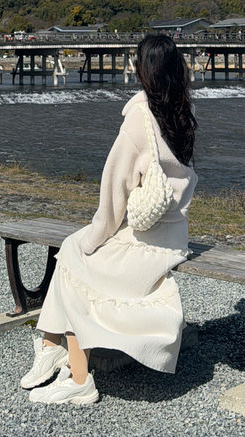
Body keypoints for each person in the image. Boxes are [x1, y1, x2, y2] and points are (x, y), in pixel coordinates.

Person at [21, 33, 198, 406]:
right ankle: (52, 346)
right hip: (173, 238)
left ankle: (78, 376)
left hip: (145, 240)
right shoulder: (183, 114)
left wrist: (92, 240)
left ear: (142, 71)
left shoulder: (139, 122)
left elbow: (113, 198)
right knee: (74, 253)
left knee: (73, 256)